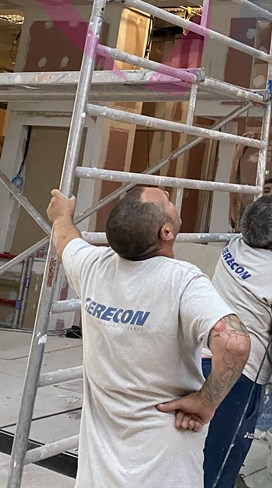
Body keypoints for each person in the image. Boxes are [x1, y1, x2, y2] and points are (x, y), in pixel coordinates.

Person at [46, 185, 250, 488]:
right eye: (167, 201)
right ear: (166, 232)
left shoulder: (94, 267)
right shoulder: (182, 282)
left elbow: (64, 238)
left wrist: (62, 214)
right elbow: (234, 343)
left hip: (98, 476)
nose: (170, 197)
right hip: (166, 470)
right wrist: (208, 401)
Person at [203, 197, 272, 488]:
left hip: (202, 360)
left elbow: (260, 228)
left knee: (195, 449)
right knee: (221, 462)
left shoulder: (232, 247)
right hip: (240, 379)